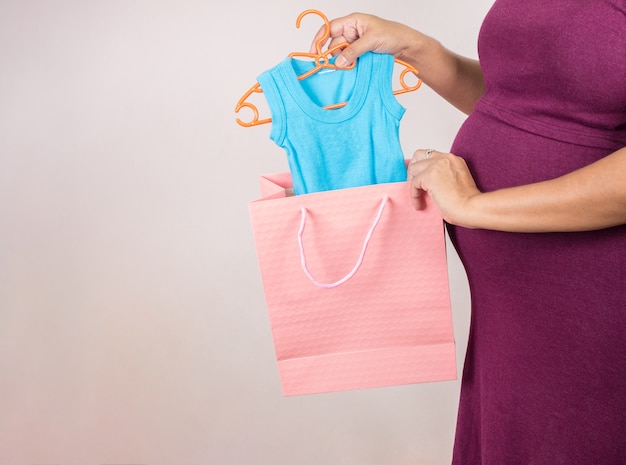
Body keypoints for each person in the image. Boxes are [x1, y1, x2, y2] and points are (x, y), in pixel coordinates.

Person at [311, 3, 626, 465]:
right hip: (515, 310)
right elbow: (533, 103)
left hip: (593, 302)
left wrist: (474, 206)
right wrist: (416, 48)